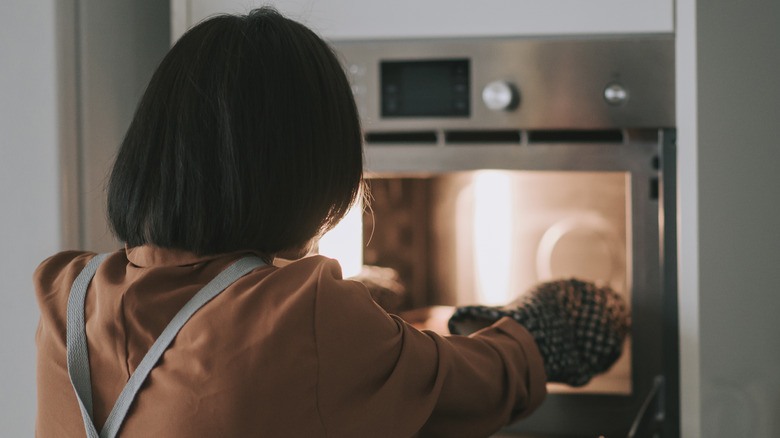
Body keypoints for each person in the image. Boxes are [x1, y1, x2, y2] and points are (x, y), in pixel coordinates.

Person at [34, 7, 627, 438]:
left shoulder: (69, 300)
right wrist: (544, 330)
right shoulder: (300, 312)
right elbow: (466, 387)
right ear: (309, 172)